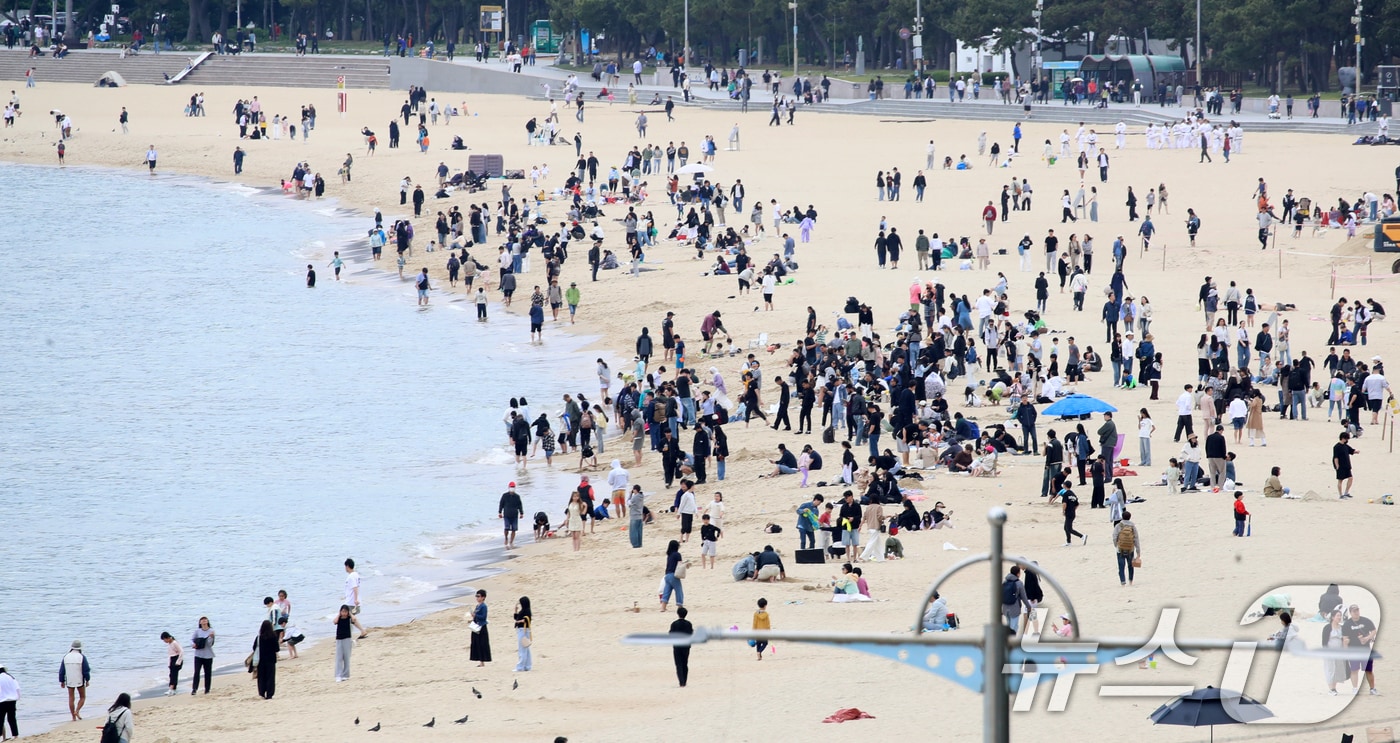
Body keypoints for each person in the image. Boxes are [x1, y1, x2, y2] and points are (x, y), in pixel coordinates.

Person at [1344, 604, 1380, 694]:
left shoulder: (1366, 621)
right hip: (1353, 650)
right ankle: (1355, 689)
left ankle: (1372, 688)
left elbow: (1373, 631)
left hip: (1365, 650)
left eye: (1357, 610)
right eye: (1354, 611)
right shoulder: (1347, 624)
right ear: (1350, 613)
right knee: (1354, 669)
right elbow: (1345, 637)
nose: (1356, 612)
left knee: (1368, 670)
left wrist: (1367, 638)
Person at [332, 604, 366, 681]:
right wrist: (339, 614)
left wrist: (350, 614)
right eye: (342, 611)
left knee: (346, 657)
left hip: (347, 639)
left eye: (345, 612)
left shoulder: (349, 619)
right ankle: (338, 675)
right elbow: (334, 621)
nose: (344, 613)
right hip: (339, 639)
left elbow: (354, 620)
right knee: (339, 658)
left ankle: (345, 675)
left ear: (348, 612)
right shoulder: (339, 618)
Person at [59, 640, 89, 721]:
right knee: (82, 697)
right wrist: (87, 680)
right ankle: (77, 710)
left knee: (71, 698)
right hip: (79, 679)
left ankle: (73, 717)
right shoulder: (82, 657)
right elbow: (86, 670)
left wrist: (62, 681)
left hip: (69, 680)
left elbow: (62, 671)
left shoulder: (66, 657)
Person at [1322, 609, 1349, 695]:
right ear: (1333, 617)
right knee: (1330, 669)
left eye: (1340, 616)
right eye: (1338, 615)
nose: (1339, 617)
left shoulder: (1342, 628)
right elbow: (1324, 641)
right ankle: (1331, 689)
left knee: (1337, 669)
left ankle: (1334, 688)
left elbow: (1344, 639)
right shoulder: (1327, 627)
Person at [1000, 565, 1032, 634]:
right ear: (1018, 574)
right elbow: (1024, 597)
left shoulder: (1005, 582)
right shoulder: (1019, 583)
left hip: (1005, 608)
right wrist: (1029, 607)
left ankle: (1008, 641)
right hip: (1014, 609)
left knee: (1009, 626)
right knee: (1014, 627)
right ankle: (1011, 643)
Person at [1113, 510, 1140, 586]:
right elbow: (1136, 539)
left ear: (1122, 517)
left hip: (1120, 549)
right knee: (1130, 566)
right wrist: (1138, 551)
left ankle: (1123, 582)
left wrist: (1116, 545)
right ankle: (1130, 581)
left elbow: (1114, 537)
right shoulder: (1132, 526)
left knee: (1121, 566)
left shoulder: (1118, 525)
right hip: (1130, 549)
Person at [252, 620, 278, 699]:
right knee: (270, 677)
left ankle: (262, 693)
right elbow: (277, 649)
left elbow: (254, 648)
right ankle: (269, 694)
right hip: (271, 659)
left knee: (261, 677)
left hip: (261, 660)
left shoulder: (259, 637)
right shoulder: (273, 636)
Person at [669, 607, 693, 687]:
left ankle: (681, 682)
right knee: (685, 663)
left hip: (677, 646)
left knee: (678, 664)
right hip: (686, 646)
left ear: (678, 614)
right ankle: (685, 681)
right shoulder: (688, 624)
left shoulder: (674, 624)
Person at [661, 539, 686, 611]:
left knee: (667, 591)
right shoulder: (677, 554)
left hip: (667, 574)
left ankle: (663, 607)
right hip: (674, 575)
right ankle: (680, 606)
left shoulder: (669, 555)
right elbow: (680, 565)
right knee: (678, 590)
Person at [469, 589, 492, 667]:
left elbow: (483, 617)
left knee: (482, 644)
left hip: (481, 627)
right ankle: (480, 661)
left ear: (483, 597)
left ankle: (482, 661)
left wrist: (475, 616)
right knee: (476, 644)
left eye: (478, 596)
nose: (477, 598)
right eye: (476, 596)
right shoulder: (478, 606)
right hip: (476, 627)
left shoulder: (484, 606)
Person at [498, 482, 524, 548]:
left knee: (514, 529)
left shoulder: (517, 496)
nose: (512, 488)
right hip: (507, 514)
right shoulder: (505, 496)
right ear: (509, 488)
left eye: (513, 487)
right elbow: (501, 504)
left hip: (515, 515)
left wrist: (521, 513)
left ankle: (511, 541)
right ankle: (506, 538)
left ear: (514, 488)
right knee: (506, 528)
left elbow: (520, 505)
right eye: (511, 487)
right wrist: (500, 512)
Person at [1333, 431, 1357, 499]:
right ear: (1343, 438)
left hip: (1347, 466)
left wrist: (1356, 452)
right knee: (1340, 480)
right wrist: (1337, 466)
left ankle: (1346, 492)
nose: (1347, 440)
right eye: (1346, 439)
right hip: (1340, 466)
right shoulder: (1336, 447)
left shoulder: (1345, 446)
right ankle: (1341, 495)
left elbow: (1351, 450)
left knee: (1350, 478)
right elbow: (1335, 457)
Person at [160, 631, 184, 696]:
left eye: (164, 640)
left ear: (167, 638)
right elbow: (170, 654)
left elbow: (181, 651)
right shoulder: (170, 644)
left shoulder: (174, 643)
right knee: (172, 675)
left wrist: (178, 661)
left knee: (173, 675)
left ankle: (171, 689)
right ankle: (173, 689)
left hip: (176, 659)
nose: (164, 641)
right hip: (172, 659)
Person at [513, 596, 533, 672]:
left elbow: (526, 619)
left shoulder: (527, 611)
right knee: (526, 649)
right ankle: (527, 666)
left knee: (522, 649)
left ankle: (520, 667)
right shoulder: (524, 610)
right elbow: (516, 618)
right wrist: (515, 610)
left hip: (523, 630)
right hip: (523, 630)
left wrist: (519, 621)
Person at [0, 665, 18, 740]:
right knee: (12, 719)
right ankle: (15, 735)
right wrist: (17, 698)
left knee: (0, 719)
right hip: (12, 700)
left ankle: (1, 736)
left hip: (2, 701)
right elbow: (17, 688)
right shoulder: (11, 677)